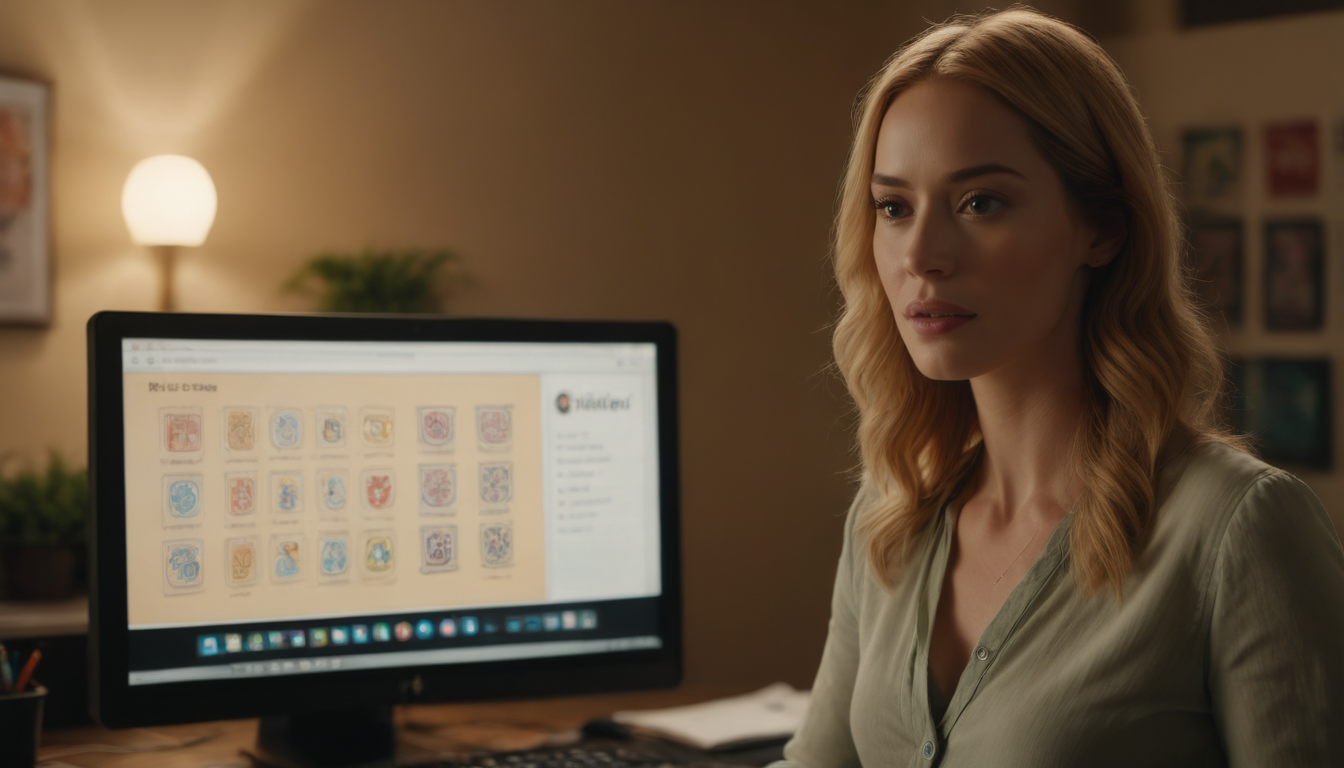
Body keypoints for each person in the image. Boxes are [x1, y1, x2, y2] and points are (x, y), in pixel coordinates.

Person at [779, 8, 1344, 767]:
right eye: (893, 207)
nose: (921, 254)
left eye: (980, 202)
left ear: (1101, 227)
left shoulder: (1237, 529)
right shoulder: (891, 515)